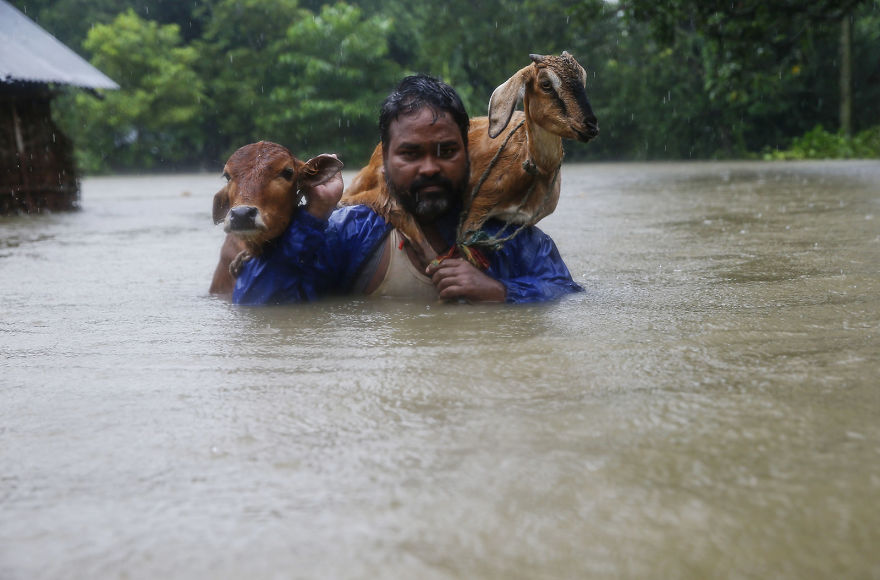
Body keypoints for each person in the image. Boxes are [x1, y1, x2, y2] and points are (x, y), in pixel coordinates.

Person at [233, 74, 582, 305]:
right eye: (410, 153)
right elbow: (259, 307)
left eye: (447, 151)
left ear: (467, 153)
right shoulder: (351, 233)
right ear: (385, 159)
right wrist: (313, 215)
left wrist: (501, 292)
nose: (430, 167)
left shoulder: (511, 239)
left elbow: (570, 297)